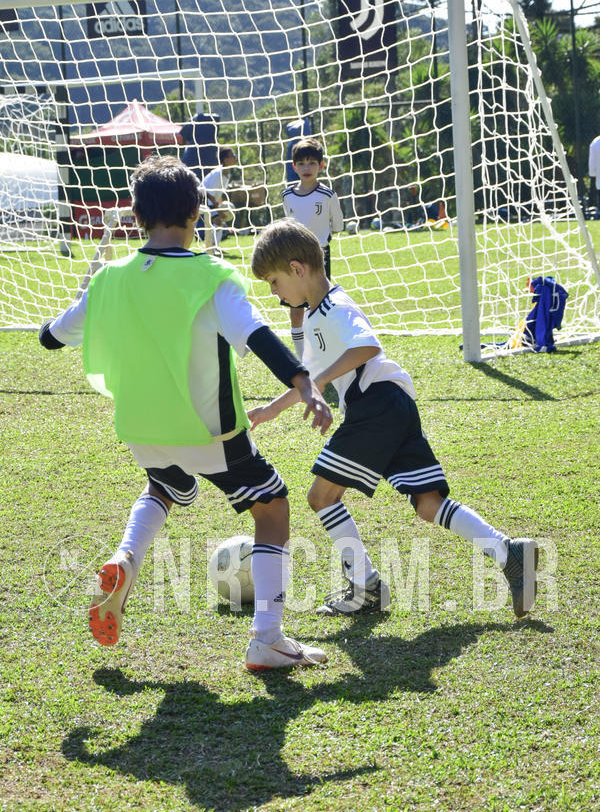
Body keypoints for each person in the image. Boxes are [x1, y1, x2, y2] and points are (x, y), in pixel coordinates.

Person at [39, 157, 333, 670]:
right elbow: (258, 336)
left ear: (134, 215)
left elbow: (50, 337)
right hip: (210, 432)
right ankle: (267, 637)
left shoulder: (109, 278)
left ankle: (126, 558)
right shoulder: (211, 275)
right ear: (198, 212)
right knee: (272, 507)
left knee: (165, 486)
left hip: (141, 431)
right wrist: (301, 380)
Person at [249, 219, 538, 619]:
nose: (275, 292)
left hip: (378, 404)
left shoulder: (335, 305)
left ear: (297, 269)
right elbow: (308, 382)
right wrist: (270, 410)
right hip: (392, 404)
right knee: (428, 503)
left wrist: (323, 385)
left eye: (274, 282)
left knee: (322, 496)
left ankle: (366, 588)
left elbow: (367, 345)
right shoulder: (315, 315)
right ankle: (511, 552)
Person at [281, 137, 344, 361]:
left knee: (319, 305)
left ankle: (323, 353)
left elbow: (337, 227)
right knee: (296, 307)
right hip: (293, 259)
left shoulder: (327, 195)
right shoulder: (287, 195)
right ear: (294, 166)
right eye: (302, 163)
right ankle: (301, 360)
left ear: (321, 165)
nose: (307, 168)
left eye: (312, 163)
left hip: (319, 257)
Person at [200, 146, 238, 254]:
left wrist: (220, 206)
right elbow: (209, 193)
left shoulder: (227, 173)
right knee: (218, 221)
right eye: (232, 155)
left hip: (210, 200)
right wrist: (219, 210)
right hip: (201, 198)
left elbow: (218, 193)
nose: (235, 157)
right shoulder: (218, 173)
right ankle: (210, 248)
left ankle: (214, 247)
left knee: (218, 223)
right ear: (225, 160)